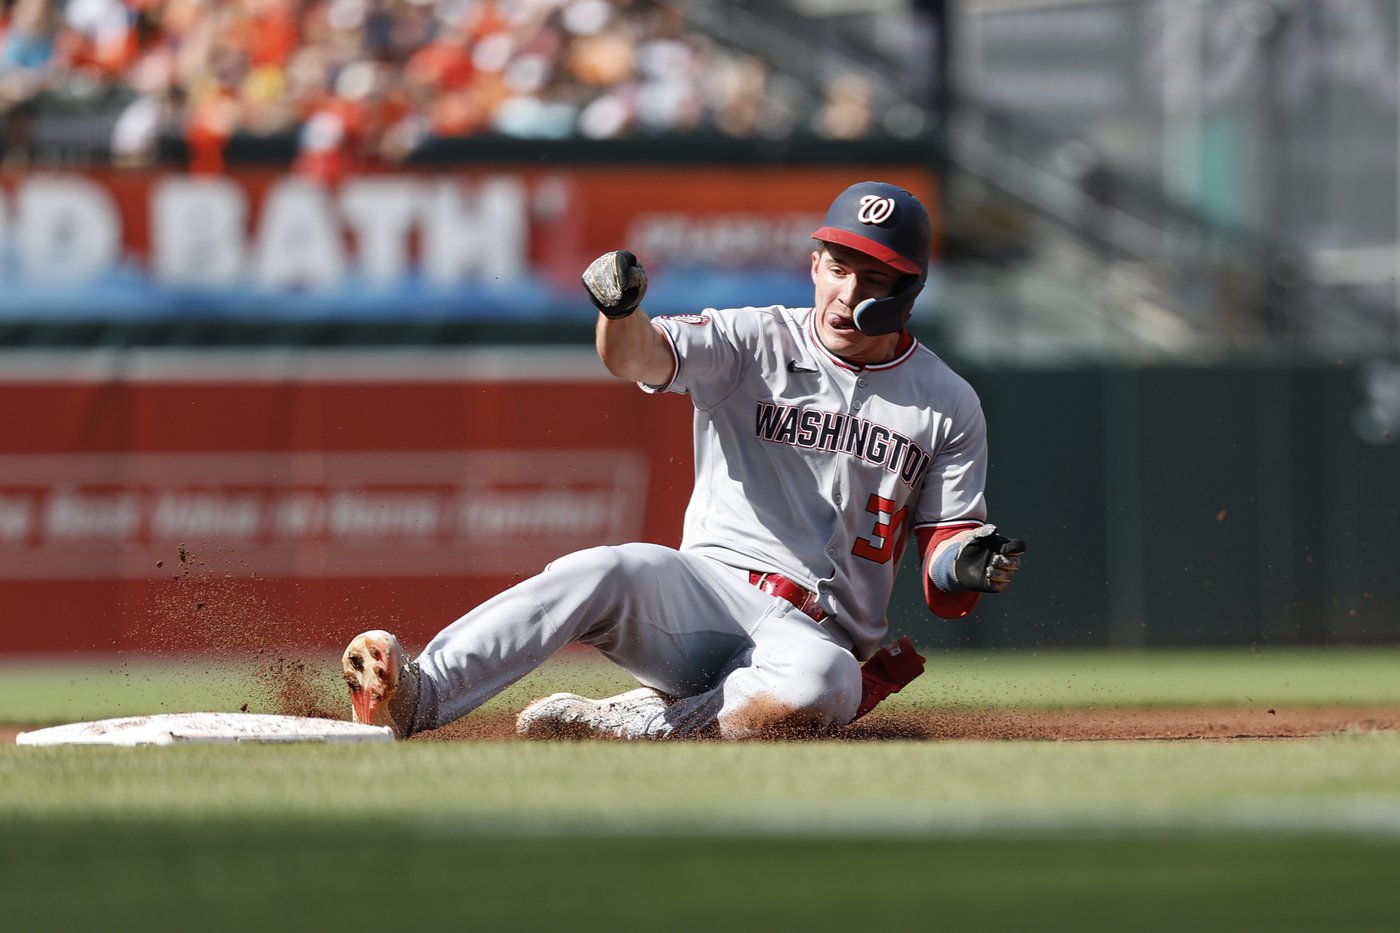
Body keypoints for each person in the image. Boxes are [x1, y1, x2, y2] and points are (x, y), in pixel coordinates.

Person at [342, 180, 1025, 740]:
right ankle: (420, 694)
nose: (847, 292)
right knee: (604, 566)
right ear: (815, 264)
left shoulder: (947, 402)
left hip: (818, 636)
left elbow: (945, 574)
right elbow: (638, 356)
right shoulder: (752, 337)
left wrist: (966, 559)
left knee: (820, 685)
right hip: (706, 592)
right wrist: (620, 310)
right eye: (838, 267)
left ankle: (642, 722)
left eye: (872, 278)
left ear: (906, 293)